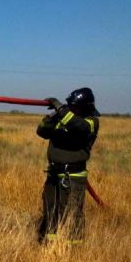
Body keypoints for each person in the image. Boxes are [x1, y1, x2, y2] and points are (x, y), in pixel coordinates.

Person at [36, 87, 100, 245]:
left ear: (86, 107)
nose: (72, 108)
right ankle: (47, 243)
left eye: (75, 106)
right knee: (50, 209)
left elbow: (77, 125)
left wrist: (61, 109)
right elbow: (42, 131)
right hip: (54, 174)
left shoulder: (90, 122)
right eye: (70, 105)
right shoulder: (63, 119)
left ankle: (74, 249)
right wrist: (53, 116)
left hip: (72, 176)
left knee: (72, 212)